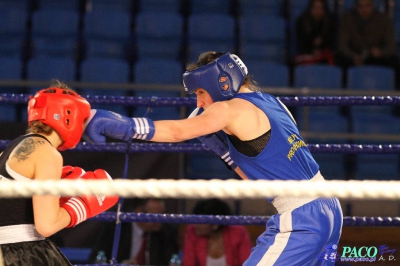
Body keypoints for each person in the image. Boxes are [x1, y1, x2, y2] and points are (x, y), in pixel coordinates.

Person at [83, 51, 343, 265]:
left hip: (300, 217)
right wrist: (229, 155)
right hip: (330, 209)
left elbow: (176, 132)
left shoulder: (227, 108)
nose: (199, 103)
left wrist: (123, 126)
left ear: (221, 83)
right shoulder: (274, 103)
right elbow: (266, 170)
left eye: (199, 92)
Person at [0, 81, 119, 266]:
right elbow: (47, 225)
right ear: (68, 116)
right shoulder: (47, 153)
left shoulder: (13, 147)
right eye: (82, 120)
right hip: (20, 252)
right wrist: (82, 204)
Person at [89, 198, 179, 265]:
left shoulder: (166, 232)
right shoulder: (115, 228)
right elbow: (96, 259)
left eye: (162, 215)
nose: (160, 221)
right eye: (156, 216)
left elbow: (170, 261)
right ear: (139, 213)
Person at [336, 0, 400, 86]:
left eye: (367, 6)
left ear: (372, 6)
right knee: (340, 60)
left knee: (394, 62)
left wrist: (380, 52)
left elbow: (391, 46)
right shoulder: (347, 18)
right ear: (356, 6)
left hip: (377, 56)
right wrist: (352, 55)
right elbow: (342, 44)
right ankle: (343, 95)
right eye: (360, 6)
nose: (364, 9)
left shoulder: (383, 19)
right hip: (354, 55)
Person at [182, 198, 252, 266]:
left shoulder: (238, 233)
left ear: (216, 224)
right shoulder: (192, 232)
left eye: (200, 222)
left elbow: (249, 263)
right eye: (195, 220)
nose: (196, 225)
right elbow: (188, 264)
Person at [294, 0, 336, 65]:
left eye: (320, 8)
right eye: (315, 7)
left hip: (324, 56)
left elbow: (332, 44)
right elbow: (300, 45)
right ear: (310, 8)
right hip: (307, 56)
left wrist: (321, 49)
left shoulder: (330, 22)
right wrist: (312, 51)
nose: (317, 10)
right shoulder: (302, 22)